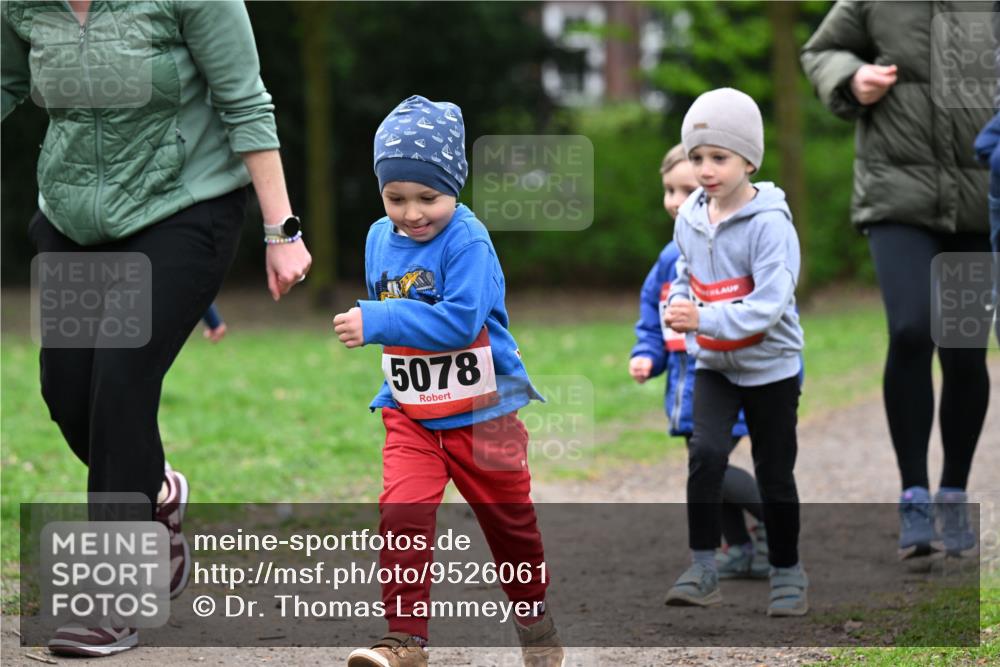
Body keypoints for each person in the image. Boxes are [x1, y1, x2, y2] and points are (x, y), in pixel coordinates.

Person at [2, 0, 311, 656]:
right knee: (68, 392)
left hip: (183, 208)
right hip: (74, 217)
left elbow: (244, 100)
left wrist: (281, 229)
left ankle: (112, 601)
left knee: (120, 383)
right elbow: (5, 81)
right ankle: (159, 490)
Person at [332, 95, 562, 667]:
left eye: (427, 197)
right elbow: (399, 313)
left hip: (484, 414)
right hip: (410, 412)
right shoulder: (376, 238)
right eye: (395, 197)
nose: (411, 212)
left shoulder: (468, 241)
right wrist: (389, 338)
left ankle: (535, 621)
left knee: (511, 528)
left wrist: (379, 320)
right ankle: (405, 640)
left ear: (455, 184)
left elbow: (460, 320)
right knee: (402, 513)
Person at [802, 1, 990, 559]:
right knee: (910, 329)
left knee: (962, 348)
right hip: (896, 193)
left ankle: (952, 489)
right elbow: (820, 50)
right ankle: (913, 492)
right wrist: (849, 76)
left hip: (980, 198)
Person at [662, 88, 808, 617]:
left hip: (771, 366)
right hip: (716, 362)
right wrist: (681, 303)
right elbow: (685, 274)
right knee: (704, 454)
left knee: (774, 472)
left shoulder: (771, 223)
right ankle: (703, 567)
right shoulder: (691, 217)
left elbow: (769, 306)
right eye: (697, 157)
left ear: (749, 159)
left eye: (718, 158)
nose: (705, 169)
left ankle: (788, 571)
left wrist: (703, 317)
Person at [630, 143, 768, 580]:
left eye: (686, 190)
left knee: (709, 466)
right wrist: (646, 356)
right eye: (669, 190)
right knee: (707, 468)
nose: (675, 201)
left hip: (725, 378)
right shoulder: (668, 258)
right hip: (683, 389)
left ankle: (775, 518)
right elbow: (653, 315)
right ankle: (741, 548)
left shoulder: (728, 247)